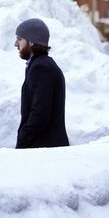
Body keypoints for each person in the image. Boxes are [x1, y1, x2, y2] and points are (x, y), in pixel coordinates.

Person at [14, 18, 69, 149]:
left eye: (20, 39)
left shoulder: (41, 68)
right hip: (44, 147)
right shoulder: (41, 65)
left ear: (32, 41)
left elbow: (40, 113)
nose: (15, 44)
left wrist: (23, 140)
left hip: (43, 149)